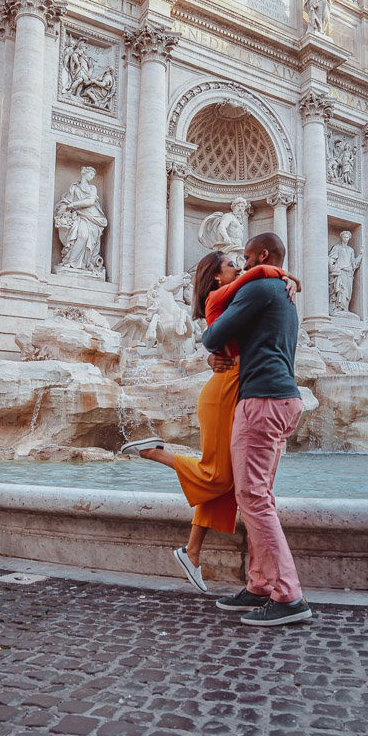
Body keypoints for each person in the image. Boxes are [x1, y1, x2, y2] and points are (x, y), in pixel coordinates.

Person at [120, 253, 298, 594]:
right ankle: (154, 453)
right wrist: (283, 274)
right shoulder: (225, 295)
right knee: (220, 475)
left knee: (228, 478)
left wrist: (283, 280)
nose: (239, 268)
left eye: (240, 262)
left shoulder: (237, 298)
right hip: (226, 389)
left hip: (234, 384)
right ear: (216, 277)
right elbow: (254, 279)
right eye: (232, 264)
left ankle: (193, 551)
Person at [202, 232, 311, 628]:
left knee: (253, 497)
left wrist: (214, 345)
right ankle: (260, 584)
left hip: (262, 400)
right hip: (283, 398)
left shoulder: (261, 286)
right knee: (258, 495)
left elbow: (212, 334)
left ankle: (288, 595)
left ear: (262, 256)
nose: (243, 265)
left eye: (246, 257)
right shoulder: (279, 290)